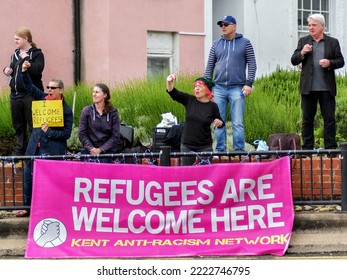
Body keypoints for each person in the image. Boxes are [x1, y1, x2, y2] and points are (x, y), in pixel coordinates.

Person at [13, 60, 73, 217]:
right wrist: (24, 72)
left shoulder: (66, 110)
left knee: (51, 181)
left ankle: (51, 209)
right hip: (35, 148)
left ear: (61, 90)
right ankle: (27, 207)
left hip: (52, 150)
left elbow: (66, 134)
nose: (49, 90)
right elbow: (29, 87)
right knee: (27, 177)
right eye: (48, 87)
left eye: (53, 88)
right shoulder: (43, 98)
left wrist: (49, 132)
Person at [291, 13, 344, 150]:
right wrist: (302, 52)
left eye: (314, 25)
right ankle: (307, 149)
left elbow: (341, 61)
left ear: (322, 26)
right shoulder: (303, 41)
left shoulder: (333, 42)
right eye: (309, 25)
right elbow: (294, 60)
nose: (311, 28)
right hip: (308, 88)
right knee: (307, 120)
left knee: (329, 119)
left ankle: (330, 149)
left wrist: (330, 63)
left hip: (327, 88)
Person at [205, 15, 257, 152]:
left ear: (234, 26)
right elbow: (210, 66)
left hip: (237, 88)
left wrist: (249, 84)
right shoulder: (216, 44)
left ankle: (239, 151)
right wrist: (207, 87)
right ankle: (220, 151)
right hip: (218, 88)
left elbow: (252, 64)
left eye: (226, 24)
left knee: (238, 123)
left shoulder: (245, 43)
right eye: (221, 24)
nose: (223, 26)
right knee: (217, 121)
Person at [3, 27, 45, 156]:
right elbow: (12, 69)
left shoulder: (36, 54)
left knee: (33, 126)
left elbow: (37, 71)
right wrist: (6, 70)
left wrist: (27, 58)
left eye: (17, 39)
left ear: (26, 39)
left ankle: (33, 153)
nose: (15, 41)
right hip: (15, 95)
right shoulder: (15, 54)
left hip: (30, 95)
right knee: (18, 126)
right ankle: (19, 153)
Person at [166, 73, 224, 166]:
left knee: (206, 174)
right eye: (195, 86)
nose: (196, 88)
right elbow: (173, 93)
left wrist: (219, 122)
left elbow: (220, 121)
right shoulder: (189, 100)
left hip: (205, 146)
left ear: (207, 90)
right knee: (187, 175)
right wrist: (169, 82)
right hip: (187, 145)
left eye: (200, 86)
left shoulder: (213, 106)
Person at [78, 83, 121, 162]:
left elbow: (115, 135)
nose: (94, 94)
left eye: (97, 92)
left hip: (107, 151)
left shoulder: (113, 112)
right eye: (93, 92)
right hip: (89, 151)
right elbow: (82, 133)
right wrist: (91, 148)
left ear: (105, 95)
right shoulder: (86, 111)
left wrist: (101, 149)